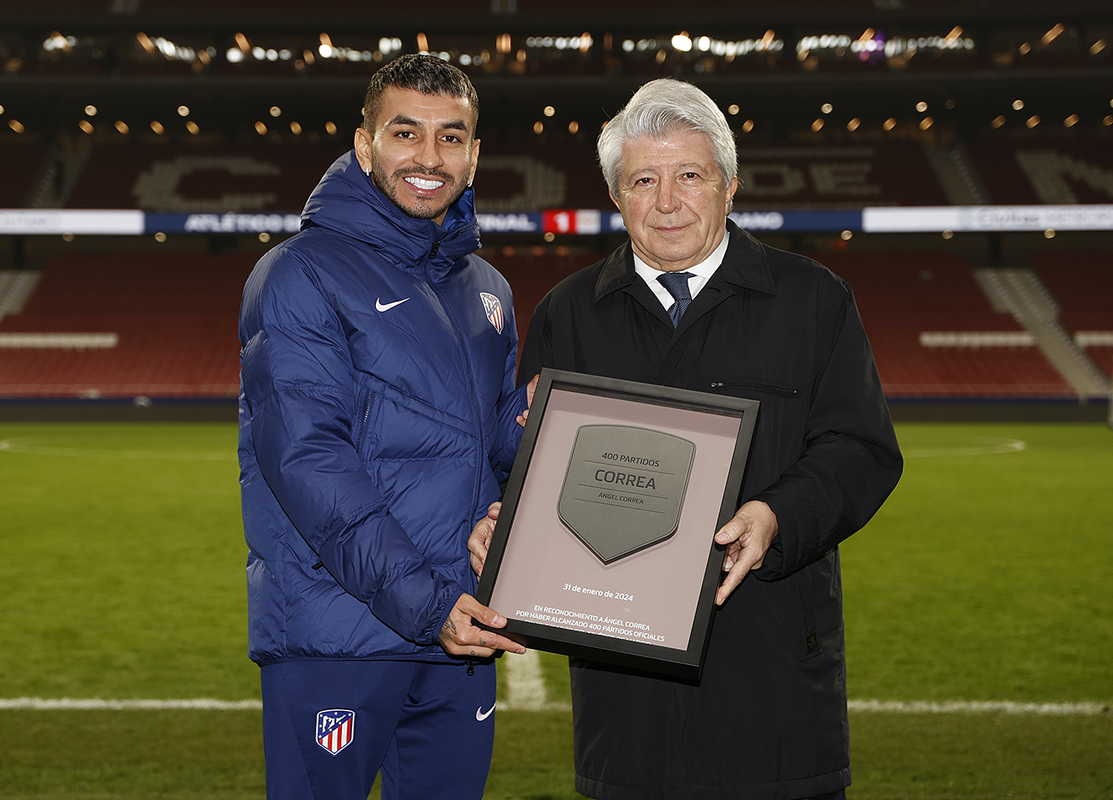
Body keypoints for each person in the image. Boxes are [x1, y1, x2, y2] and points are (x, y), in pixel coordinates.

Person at [471, 78, 903, 800]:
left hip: (768, 672)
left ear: (730, 186)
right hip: (624, 689)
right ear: (617, 196)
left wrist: (777, 517)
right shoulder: (568, 313)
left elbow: (860, 451)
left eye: (689, 176)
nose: (667, 202)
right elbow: (530, 462)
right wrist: (505, 516)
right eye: (644, 179)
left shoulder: (813, 299)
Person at [238, 53, 530, 800]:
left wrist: (539, 466)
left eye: (452, 137)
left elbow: (497, 452)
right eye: (406, 133)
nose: (429, 158)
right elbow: (309, 460)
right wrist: (427, 606)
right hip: (340, 637)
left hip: (459, 636)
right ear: (364, 145)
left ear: (474, 153)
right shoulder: (299, 274)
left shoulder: (487, 289)